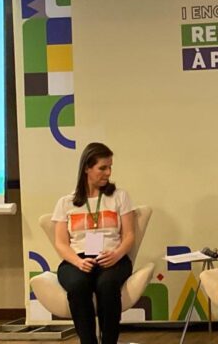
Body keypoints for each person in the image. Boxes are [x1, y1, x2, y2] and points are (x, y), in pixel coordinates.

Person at [52, 142, 135, 344]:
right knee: (78, 285)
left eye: (110, 167)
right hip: (78, 259)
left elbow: (129, 235)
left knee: (107, 285)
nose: (108, 172)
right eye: (103, 168)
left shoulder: (119, 196)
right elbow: (61, 243)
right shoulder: (66, 202)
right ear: (87, 168)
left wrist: (116, 254)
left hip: (112, 257)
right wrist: (78, 262)